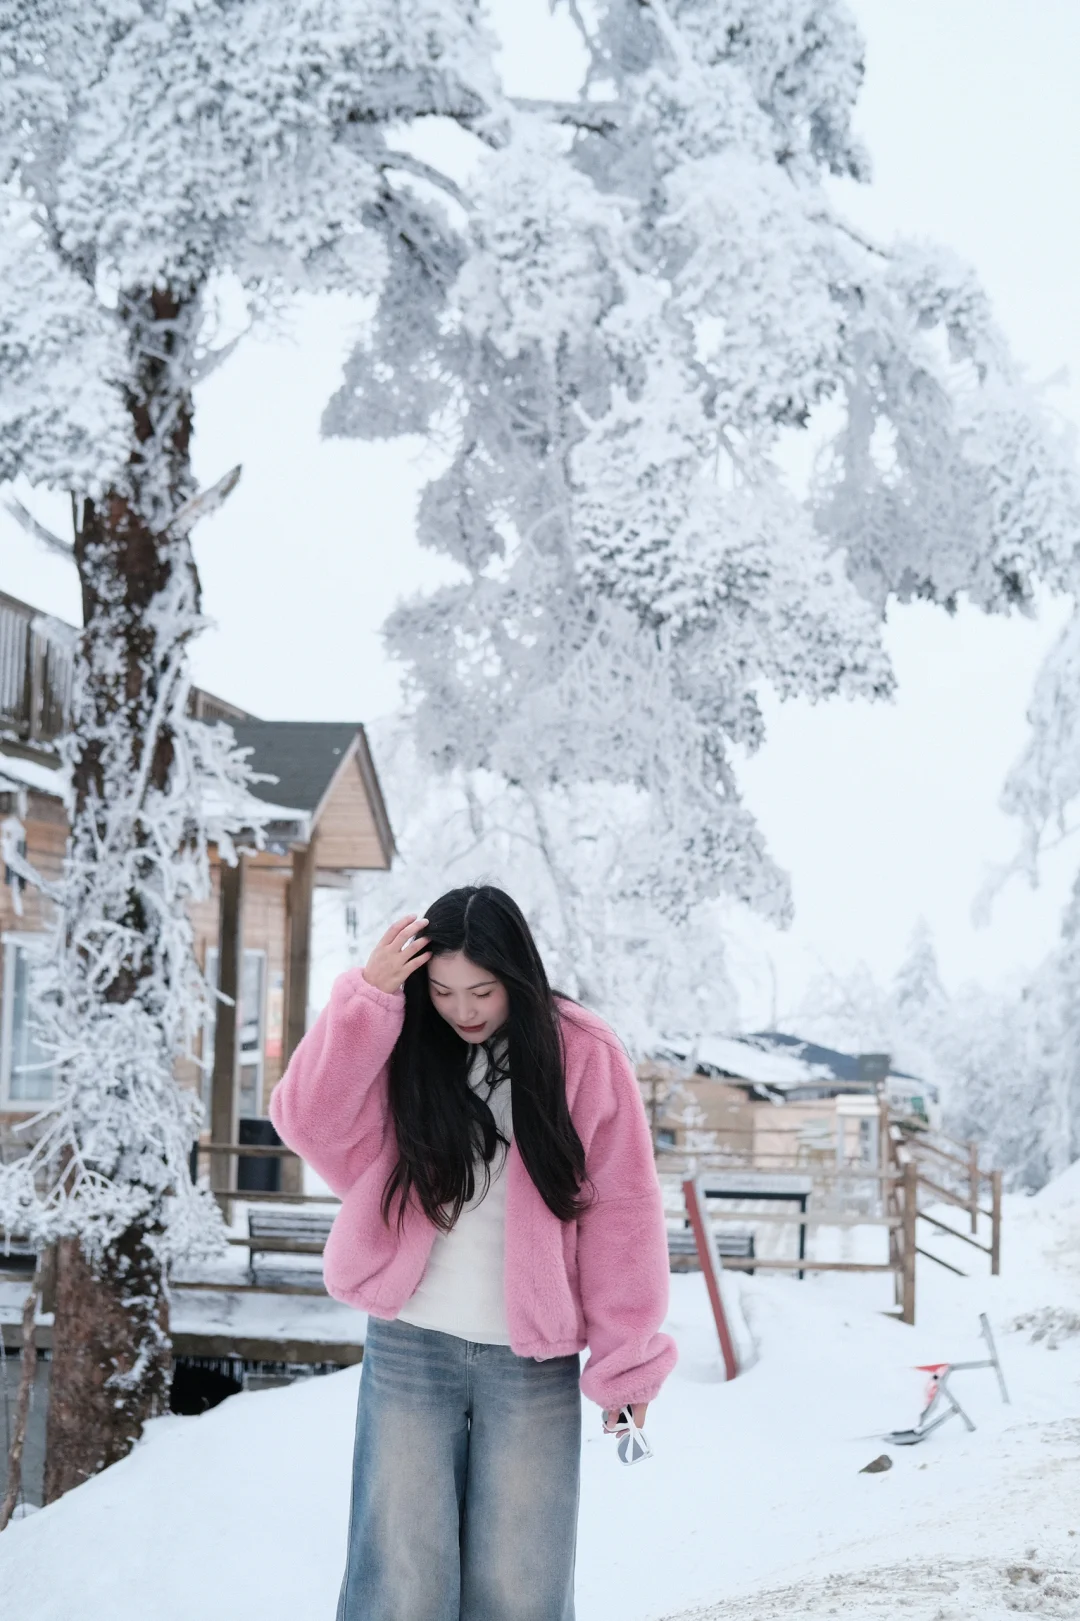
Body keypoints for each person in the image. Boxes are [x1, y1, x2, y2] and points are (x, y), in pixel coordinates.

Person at [270, 884, 676, 1621]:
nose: (464, 1009)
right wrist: (367, 997)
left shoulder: (582, 1052)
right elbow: (307, 1119)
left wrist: (626, 1359)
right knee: (398, 1580)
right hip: (410, 1344)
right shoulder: (402, 1038)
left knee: (521, 1586)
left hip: (531, 1360)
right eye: (444, 989)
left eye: (482, 990)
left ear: (515, 975)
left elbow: (624, 1215)